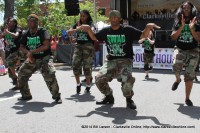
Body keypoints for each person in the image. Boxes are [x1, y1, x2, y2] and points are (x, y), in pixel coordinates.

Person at [78, 10, 160, 109]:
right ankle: (109, 96)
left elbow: (143, 35)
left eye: (116, 17)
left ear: (120, 19)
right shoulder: (106, 31)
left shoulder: (127, 30)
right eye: (111, 17)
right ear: (109, 19)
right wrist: (88, 30)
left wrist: (147, 27)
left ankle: (129, 99)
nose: (113, 19)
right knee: (99, 79)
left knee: (127, 79)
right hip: (111, 61)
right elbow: (95, 37)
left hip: (126, 60)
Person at [17, 14, 62, 103]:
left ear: (36, 22)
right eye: (29, 21)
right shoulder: (26, 33)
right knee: (21, 74)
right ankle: (26, 95)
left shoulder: (42, 31)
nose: (30, 23)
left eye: (32, 21)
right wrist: (28, 53)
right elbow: (21, 46)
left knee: (50, 76)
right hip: (32, 59)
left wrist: (31, 52)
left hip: (44, 58)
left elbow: (46, 46)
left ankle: (56, 96)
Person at [170, 1, 200, 106]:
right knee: (175, 65)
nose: (186, 9)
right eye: (184, 8)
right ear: (181, 9)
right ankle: (178, 80)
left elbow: (198, 39)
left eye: (188, 8)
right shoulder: (178, 21)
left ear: (192, 9)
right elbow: (173, 37)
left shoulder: (197, 22)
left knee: (189, 76)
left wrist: (192, 28)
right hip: (180, 49)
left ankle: (187, 99)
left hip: (193, 50)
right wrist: (182, 27)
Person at [68, 10, 95, 94]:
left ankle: (87, 85)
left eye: (84, 16)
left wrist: (83, 29)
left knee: (87, 67)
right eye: (81, 16)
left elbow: (93, 34)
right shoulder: (77, 23)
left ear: (87, 16)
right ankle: (78, 84)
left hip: (88, 46)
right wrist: (75, 32)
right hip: (79, 46)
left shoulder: (90, 24)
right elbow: (69, 32)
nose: (82, 18)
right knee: (75, 64)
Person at [0, 17, 22, 90]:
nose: (9, 22)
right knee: (10, 71)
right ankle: (17, 83)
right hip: (11, 51)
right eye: (8, 21)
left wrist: (8, 32)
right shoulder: (6, 30)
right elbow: (1, 37)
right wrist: (4, 32)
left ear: (14, 23)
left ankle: (18, 77)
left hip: (18, 50)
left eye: (11, 22)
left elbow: (16, 36)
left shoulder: (17, 29)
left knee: (9, 61)